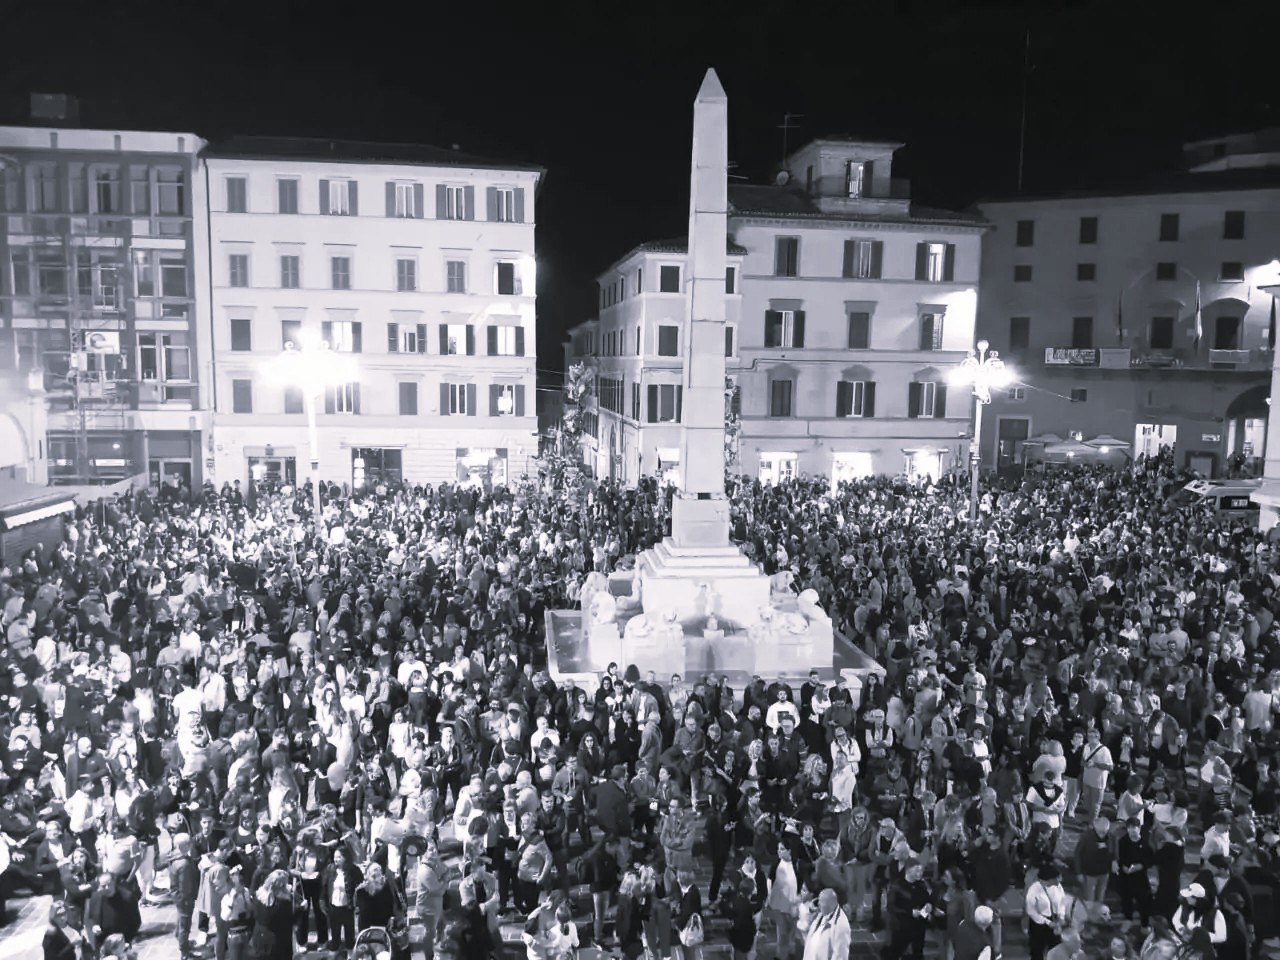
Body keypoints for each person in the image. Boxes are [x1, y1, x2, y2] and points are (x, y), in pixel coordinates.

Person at [248, 869, 294, 960]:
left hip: (259, 936)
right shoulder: (283, 903)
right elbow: (290, 921)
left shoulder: (258, 896)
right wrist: (301, 909)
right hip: (278, 941)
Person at [1025, 863, 1065, 960]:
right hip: (1039, 924)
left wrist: (1061, 917)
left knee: (1056, 951)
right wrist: (1047, 922)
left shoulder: (1058, 887)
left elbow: (1062, 902)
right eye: (1056, 878)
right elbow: (1031, 911)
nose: (1059, 880)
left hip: (1055, 920)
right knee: (1037, 952)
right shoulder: (1034, 889)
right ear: (1049, 879)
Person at [799, 887, 851, 960]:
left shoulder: (840, 926)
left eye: (821, 901)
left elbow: (840, 956)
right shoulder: (823, 913)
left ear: (830, 904)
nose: (818, 904)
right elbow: (806, 924)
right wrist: (811, 908)